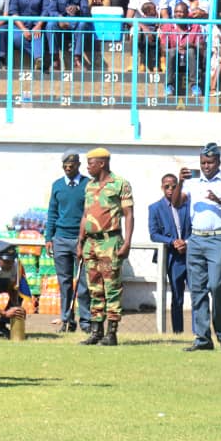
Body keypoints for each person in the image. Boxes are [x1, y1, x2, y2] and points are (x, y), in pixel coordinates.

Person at [171, 143, 221, 352]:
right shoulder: (193, 183)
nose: (206, 166)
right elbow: (175, 203)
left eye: (210, 162)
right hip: (196, 240)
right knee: (197, 289)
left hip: (218, 239)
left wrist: (219, 201)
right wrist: (180, 183)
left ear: (218, 162)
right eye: (203, 162)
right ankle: (203, 338)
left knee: (215, 285)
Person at [76, 147, 134, 347]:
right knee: (94, 288)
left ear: (101, 163)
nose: (87, 167)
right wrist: (80, 241)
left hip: (110, 242)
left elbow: (128, 214)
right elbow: (85, 215)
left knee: (112, 288)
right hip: (90, 243)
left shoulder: (120, 184)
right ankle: (96, 331)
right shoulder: (89, 186)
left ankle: (112, 332)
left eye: (90, 163)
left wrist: (127, 242)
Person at [44, 150, 90, 333]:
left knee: (84, 283)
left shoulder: (88, 185)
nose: (68, 169)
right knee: (64, 282)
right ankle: (67, 320)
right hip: (61, 239)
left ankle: (86, 322)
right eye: (65, 167)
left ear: (78, 165)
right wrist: (49, 238)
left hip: (82, 240)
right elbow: (52, 213)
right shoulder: (57, 186)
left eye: (71, 166)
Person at [148, 173, 191, 334]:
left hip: (190, 254)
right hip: (172, 257)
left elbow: (196, 228)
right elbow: (154, 234)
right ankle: (178, 333)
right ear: (162, 187)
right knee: (177, 296)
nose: (170, 189)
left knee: (198, 294)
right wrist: (173, 242)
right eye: (167, 186)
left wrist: (185, 243)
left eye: (174, 186)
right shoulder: (155, 208)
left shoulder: (188, 205)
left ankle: (200, 333)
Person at [43, 0, 91, 70]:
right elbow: (51, 10)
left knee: (83, 24)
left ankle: (77, 58)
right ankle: (55, 58)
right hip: (61, 22)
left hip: (76, 21)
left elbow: (86, 9)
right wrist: (59, 18)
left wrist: (77, 8)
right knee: (50, 25)